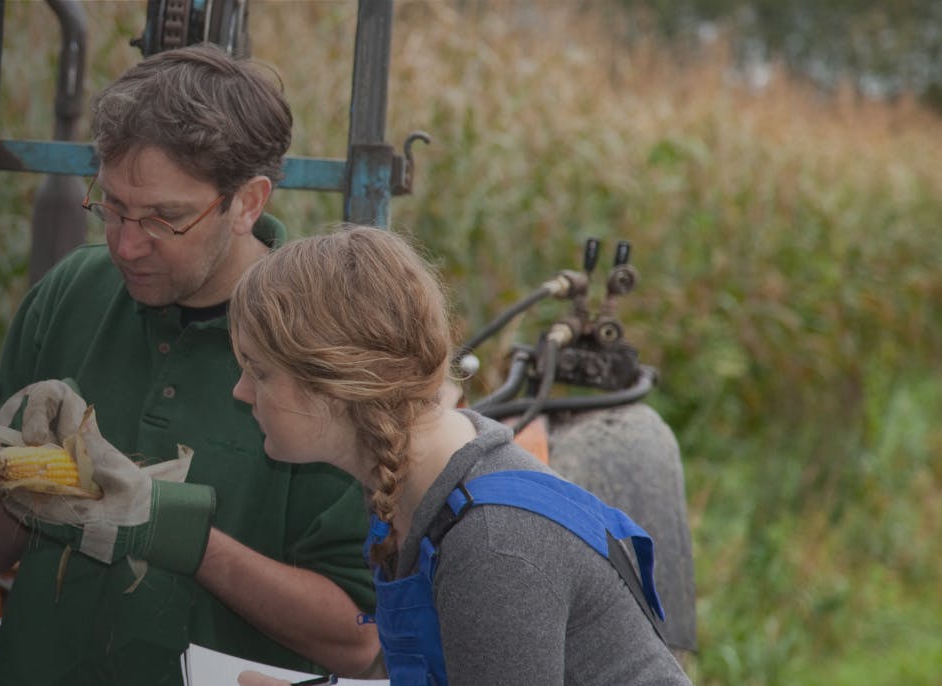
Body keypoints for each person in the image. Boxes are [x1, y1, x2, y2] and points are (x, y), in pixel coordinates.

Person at [0, 45, 380, 685]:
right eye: (112, 207)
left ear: (248, 202)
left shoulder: (326, 351)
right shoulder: (71, 293)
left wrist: (175, 531)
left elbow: (356, 639)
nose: (127, 244)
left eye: (165, 217)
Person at [224, 228, 691, 685]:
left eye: (259, 372)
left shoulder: (492, 543)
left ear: (337, 384)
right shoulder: (420, 490)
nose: (241, 392)